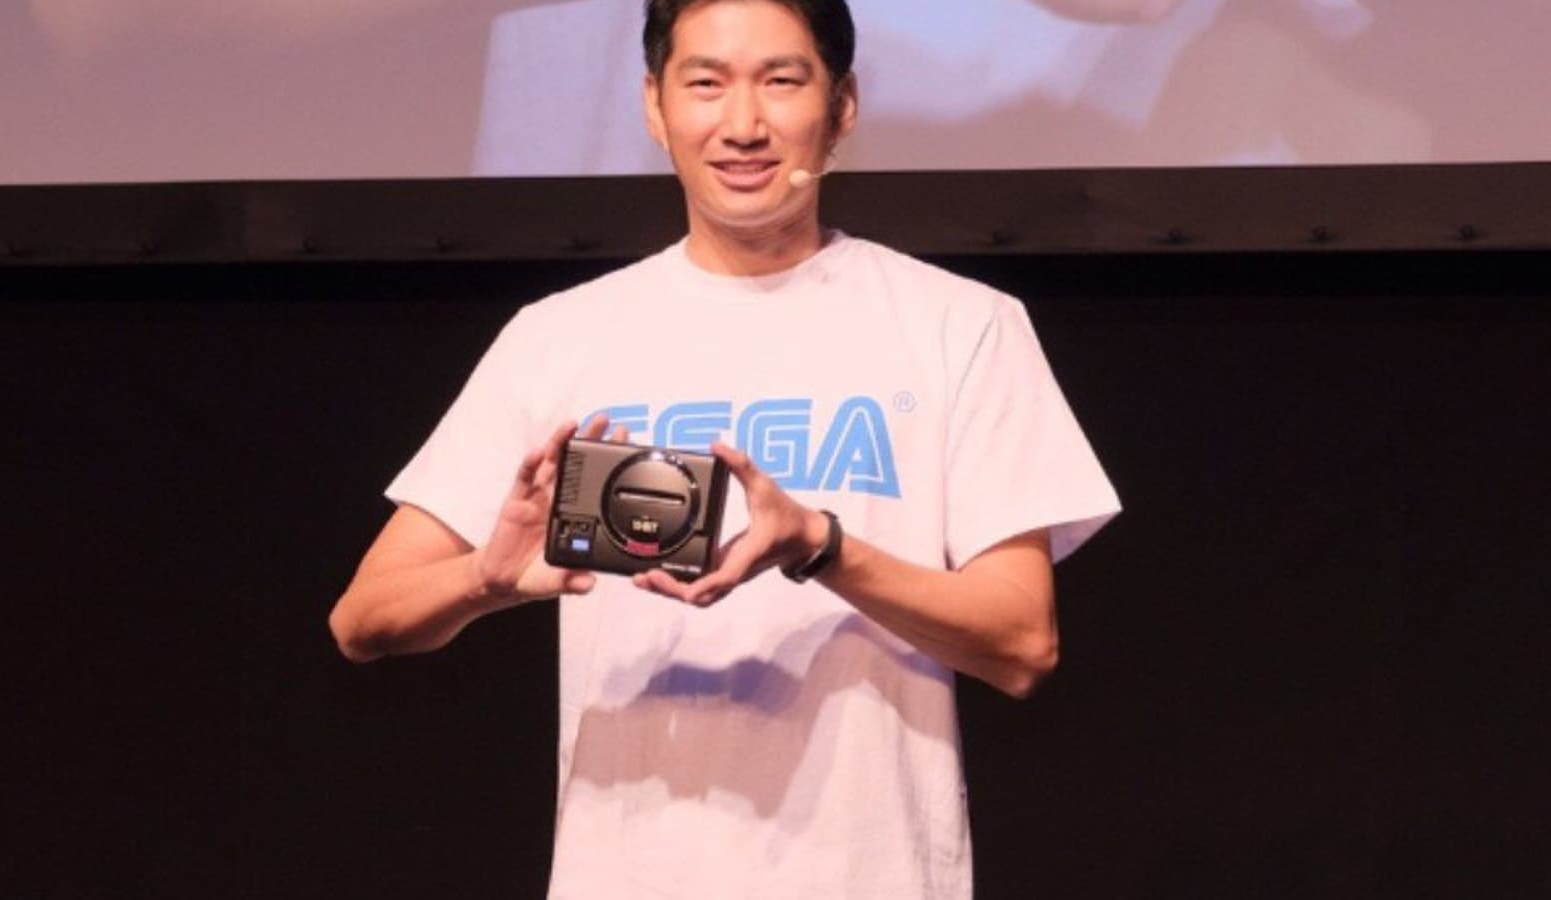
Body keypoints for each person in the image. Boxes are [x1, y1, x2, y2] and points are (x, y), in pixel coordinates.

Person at [329, 1, 1120, 896]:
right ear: (654, 105)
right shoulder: (559, 337)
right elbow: (362, 620)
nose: (742, 124)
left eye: (781, 81)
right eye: (705, 83)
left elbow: (1022, 643)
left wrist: (820, 547)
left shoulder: (959, 326)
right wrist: (486, 579)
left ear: (843, 105)